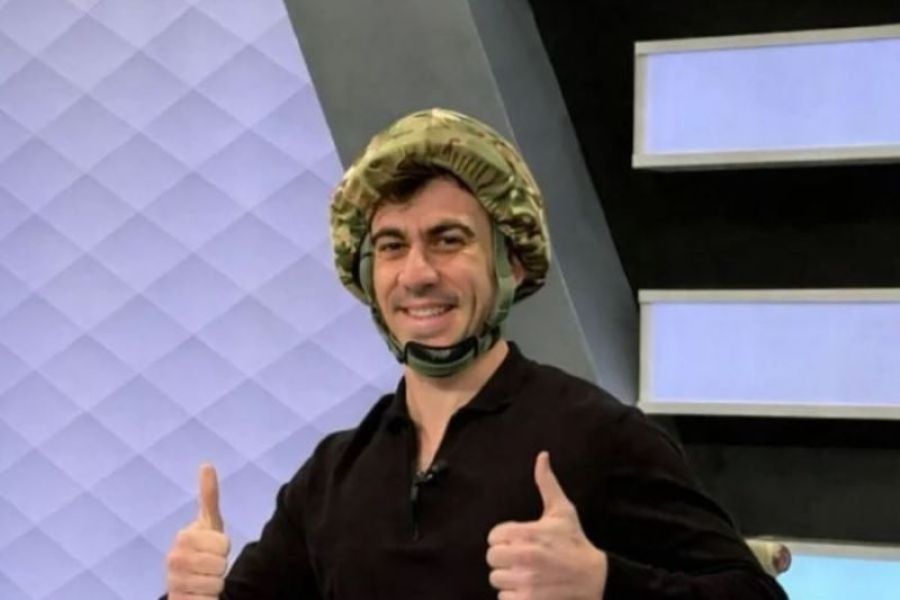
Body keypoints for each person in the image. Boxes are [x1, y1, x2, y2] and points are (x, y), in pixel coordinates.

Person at [164, 108, 787, 599]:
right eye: (391, 246)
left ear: (512, 261)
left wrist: (603, 582)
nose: (417, 273)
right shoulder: (334, 475)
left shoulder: (598, 437)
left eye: (448, 240)